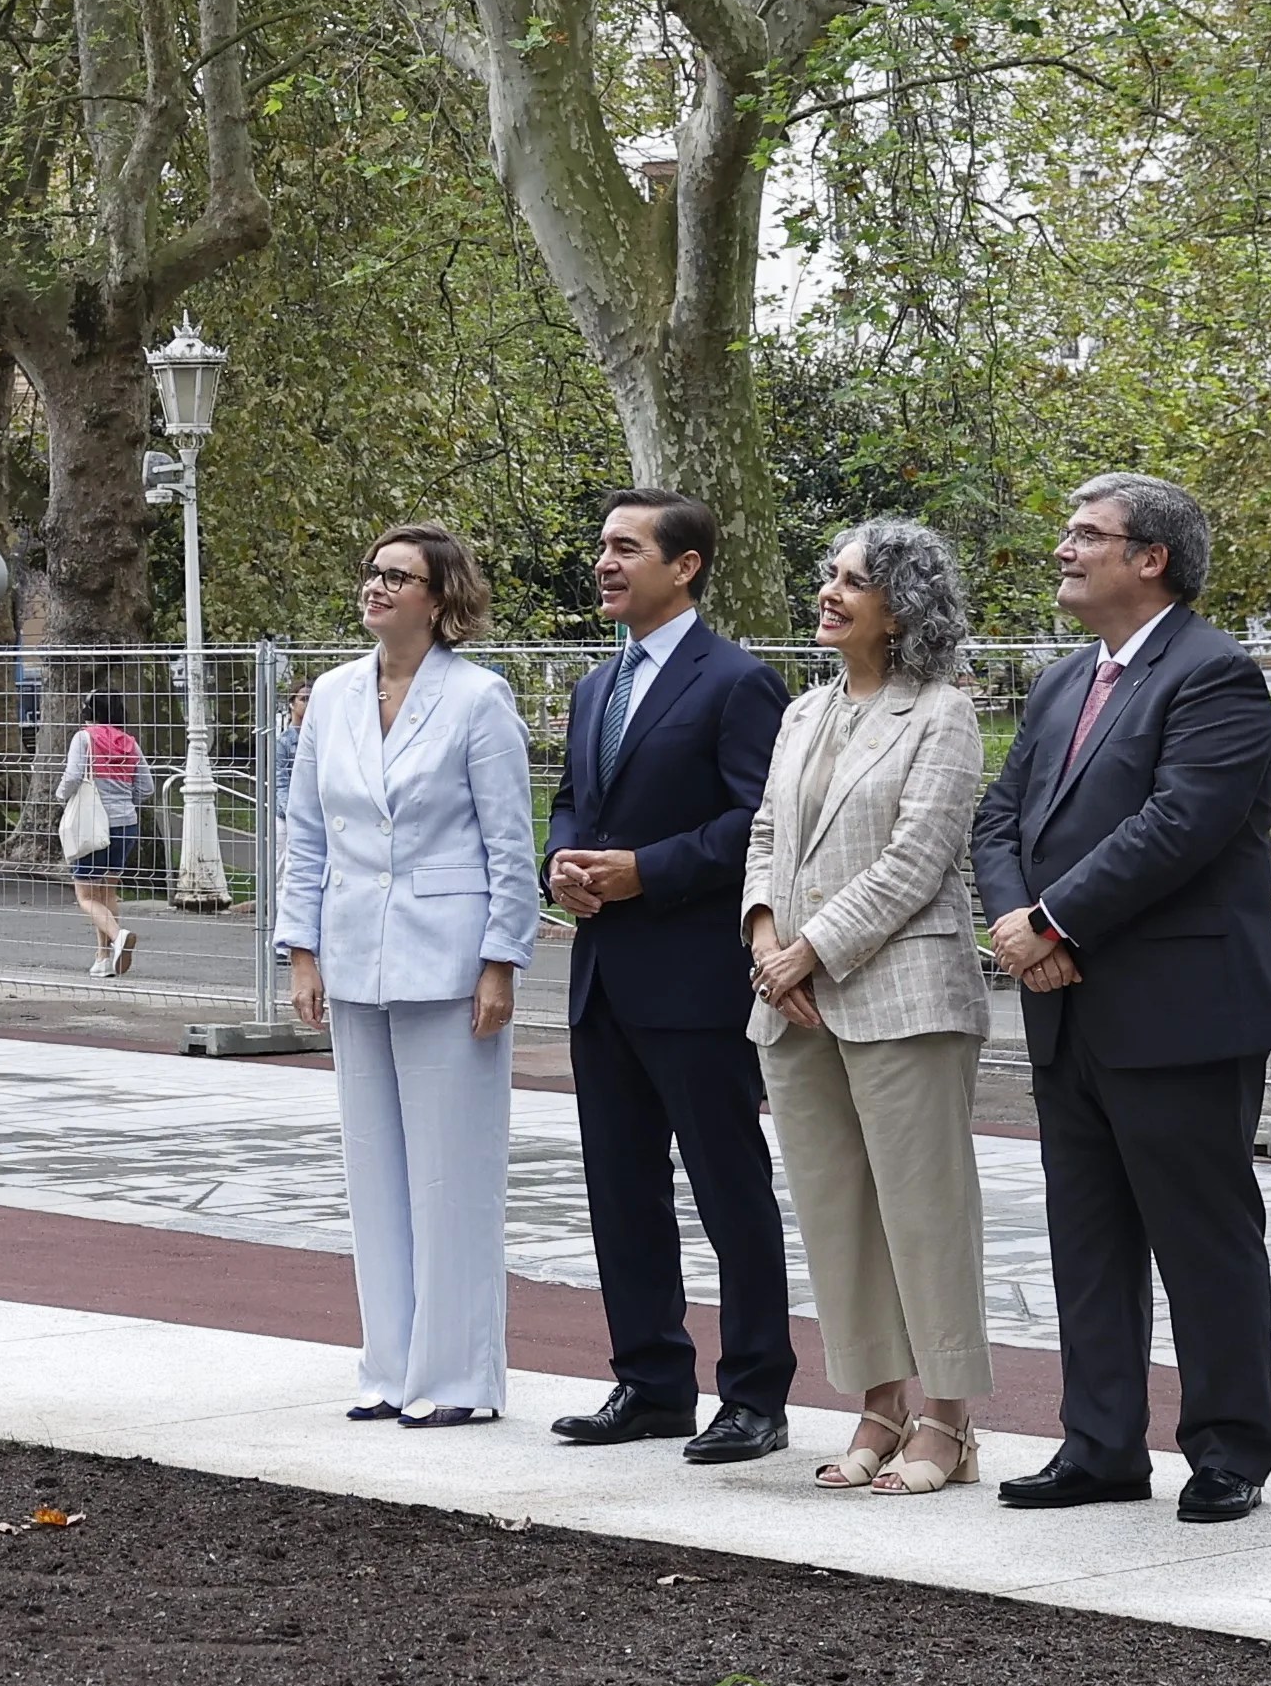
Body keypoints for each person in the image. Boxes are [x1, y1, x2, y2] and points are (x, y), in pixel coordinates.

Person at [969, 471, 1271, 1521]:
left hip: (1179, 1008)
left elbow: (1180, 825)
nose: (1064, 548)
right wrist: (1024, 932)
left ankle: (1230, 1447)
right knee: (1088, 1236)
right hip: (1066, 1005)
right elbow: (998, 818)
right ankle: (1100, 1443)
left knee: (1202, 1236)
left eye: (1086, 534)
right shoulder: (1066, 680)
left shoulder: (1216, 675)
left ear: (1150, 558)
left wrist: (1052, 922)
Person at [738, 517, 994, 1494]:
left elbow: (917, 861)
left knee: (926, 1214)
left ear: (902, 608)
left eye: (853, 581)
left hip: (899, 997)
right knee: (836, 1214)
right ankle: (880, 1404)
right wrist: (766, 940)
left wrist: (809, 952)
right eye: (829, 576)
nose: (830, 592)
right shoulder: (803, 712)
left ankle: (950, 1421)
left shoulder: (941, 715)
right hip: (789, 1001)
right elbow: (765, 832)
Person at [546, 490, 798, 1462]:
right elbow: (573, 801)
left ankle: (755, 1395)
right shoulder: (591, 687)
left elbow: (756, 824)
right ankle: (650, 1381)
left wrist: (646, 869)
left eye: (625, 547)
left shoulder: (737, 682)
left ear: (684, 565)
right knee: (621, 1189)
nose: (603, 561)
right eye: (601, 545)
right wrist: (562, 862)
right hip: (603, 976)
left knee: (730, 1187)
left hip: (695, 981)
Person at [273, 524, 538, 1428]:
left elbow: (511, 842)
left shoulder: (478, 699)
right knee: (375, 1174)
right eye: (373, 573)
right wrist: (300, 950)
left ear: (439, 596)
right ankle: (388, 1367)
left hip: (451, 958)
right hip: (353, 953)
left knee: (451, 1179)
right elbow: (304, 832)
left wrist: (501, 961)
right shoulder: (336, 697)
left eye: (399, 576)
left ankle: (458, 1378)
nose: (377, 588)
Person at [61, 689, 152, 977]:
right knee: (107, 891)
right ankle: (103, 958)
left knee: (85, 895)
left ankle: (117, 935)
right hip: (126, 823)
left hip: (92, 823)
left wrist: (60, 795)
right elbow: (146, 787)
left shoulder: (84, 738)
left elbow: (73, 776)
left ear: (89, 712)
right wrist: (126, 803)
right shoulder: (130, 743)